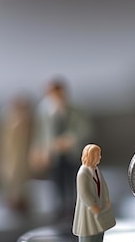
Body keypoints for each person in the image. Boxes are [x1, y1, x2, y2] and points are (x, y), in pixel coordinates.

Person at [32, 78, 92, 216]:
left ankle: (74, 204)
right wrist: (39, 150)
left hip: (71, 152)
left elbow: (84, 129)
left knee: (73, 178)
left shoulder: (76, 109)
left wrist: (70, 140)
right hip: (53, 154)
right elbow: (40, 134)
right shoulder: (43, 111)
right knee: (56, 180)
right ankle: (59, 206)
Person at [0, 93, 33, 211]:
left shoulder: (27, 120)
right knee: (6, 177)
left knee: (19, 179)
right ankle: (9, 199)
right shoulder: (5, 119)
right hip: (8, 157)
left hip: (21, 158)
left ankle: (19, 199)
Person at [72, 144, 115, 242]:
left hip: (100, 205)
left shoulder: (96, 170)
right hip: (88, 209)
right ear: (90, 156)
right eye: (97, 155)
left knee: (99, 229)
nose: (99, 157)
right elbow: (84, 192)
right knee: (87, 230)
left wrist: (106, 200)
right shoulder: (83, 173)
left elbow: (103, 186)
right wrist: (92, 205)